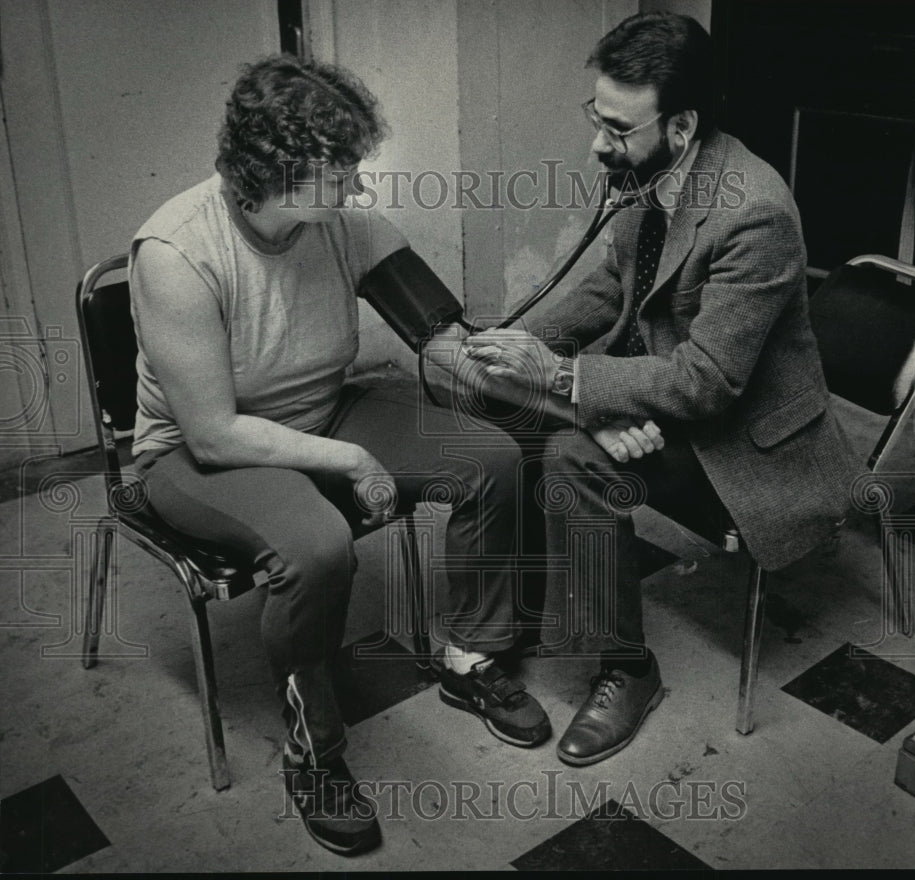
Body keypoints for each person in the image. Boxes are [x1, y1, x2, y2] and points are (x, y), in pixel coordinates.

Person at [129, 55, 550, 858]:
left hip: (324, 410)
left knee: (491, 458)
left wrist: (531, 375)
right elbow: (214, 432)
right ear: (279, 174)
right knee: (318, 547)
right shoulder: (176, 253)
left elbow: (440, 336)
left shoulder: (343, 225)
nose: (358, 191)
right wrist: (351, 462)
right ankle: (314, 751)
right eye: (342, 175)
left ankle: (470, 657)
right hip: (202, 453)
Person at [461, 12, 855, 766]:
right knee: (507, 408)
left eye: (617, 128)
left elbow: (707, 383)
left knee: (579, 453)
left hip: (749, 442)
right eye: (596, 117)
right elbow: (610, 290)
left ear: (681, 128)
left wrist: (566, 377)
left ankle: (626, 669)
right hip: (675, 394)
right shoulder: (653, 174)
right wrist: (516, 350)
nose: (597, 145)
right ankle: (534, 601)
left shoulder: (755, 212)